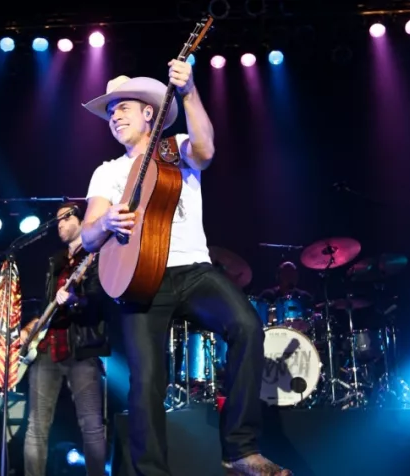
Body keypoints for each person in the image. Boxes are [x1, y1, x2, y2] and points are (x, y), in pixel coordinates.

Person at [79, 62, 292, 475]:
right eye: (110, 112)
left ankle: (240, 450)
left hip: (193, 270)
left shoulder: (176, 147)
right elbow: (88, 237)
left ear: (148, 112)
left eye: (123, 107)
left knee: (248, 326)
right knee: (145, 384)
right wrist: (104, 223)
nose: (115, 117)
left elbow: (207, 151)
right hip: (139, 283)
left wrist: (190, 91)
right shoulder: (107, 172)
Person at [19, 202, 109, 476]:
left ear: (81, 221)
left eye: (64, 219)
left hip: (81, 349)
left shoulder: (96, 255)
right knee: (36, 427)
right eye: (56, 220)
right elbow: (45, 304)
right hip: (46, 349)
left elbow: (101, 300)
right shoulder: (54, 261)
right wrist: (30, 327)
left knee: (92, 425)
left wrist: (75, 301)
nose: (58, 225)